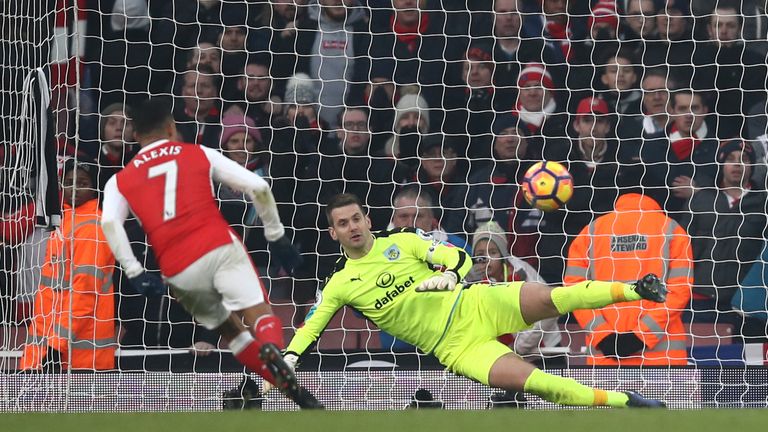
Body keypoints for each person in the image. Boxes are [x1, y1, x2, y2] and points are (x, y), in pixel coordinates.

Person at [274, 192, 668, 408]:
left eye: (356, 218)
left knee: (555, 298)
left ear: (368, 220)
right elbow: (311, 325)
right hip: (457, 348)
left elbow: (458, 257)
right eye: (342, 223)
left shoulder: (406, 240)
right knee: (542, 385)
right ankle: (627, 402)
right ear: (333, 234)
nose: (352, 227)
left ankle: (635, 288)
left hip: (475, 302)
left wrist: (448, 276)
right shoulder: (341, 283)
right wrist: (288, 359)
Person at [100, 98, 320, 409]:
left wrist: (134, 270)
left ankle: (290, 389)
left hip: (177, 270)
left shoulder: (118, 180)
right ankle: (272, 350)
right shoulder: (198, 153)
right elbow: (257, 186)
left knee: (233, 333)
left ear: (134, 135)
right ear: (171, 127)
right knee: (259, 316)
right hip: (218, 245)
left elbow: (109, 223)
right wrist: (276, 236)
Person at [564, 187, 692, 366]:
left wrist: (602, 335)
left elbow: (574, 291)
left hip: (605, 360)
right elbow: (679, 291)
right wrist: (642, 335)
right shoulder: (672, 229)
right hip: (663, 362)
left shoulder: (591, 231)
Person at [21, 160, 116, 371]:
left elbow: (84, 293)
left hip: (77, 360)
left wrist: (55, 347)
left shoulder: (93, 227)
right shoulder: (64, 222)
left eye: (82, 183)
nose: (74, 188)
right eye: (69, 182)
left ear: (94, 187)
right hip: (49, 351)